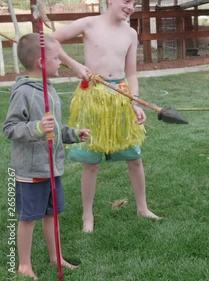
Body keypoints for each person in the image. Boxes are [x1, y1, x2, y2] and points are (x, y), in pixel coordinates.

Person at [51, 0, 160, 233]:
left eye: (135, 3)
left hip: (120, 97)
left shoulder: (131, 33)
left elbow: (131, 72)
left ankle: (142, 207)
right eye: (127, 1)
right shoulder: (89, 23)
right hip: (93, 99)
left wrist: (135, 101)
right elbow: (52, 40)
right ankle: (87, 216)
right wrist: (74, 65)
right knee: (91, 164)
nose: (131, 6)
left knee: (135, 158)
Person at [3, 33, 90, 280]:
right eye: (56, 58)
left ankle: (56, 257)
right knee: (29, 217)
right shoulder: (24, 92)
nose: (61, 62)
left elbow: (54, 129)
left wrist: (73, 134)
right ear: (42, 63)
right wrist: (36, 128)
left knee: (52, 214)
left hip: (52, 167)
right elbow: (10, 128)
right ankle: (24, 265)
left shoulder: (48, 89)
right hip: (31, 171)